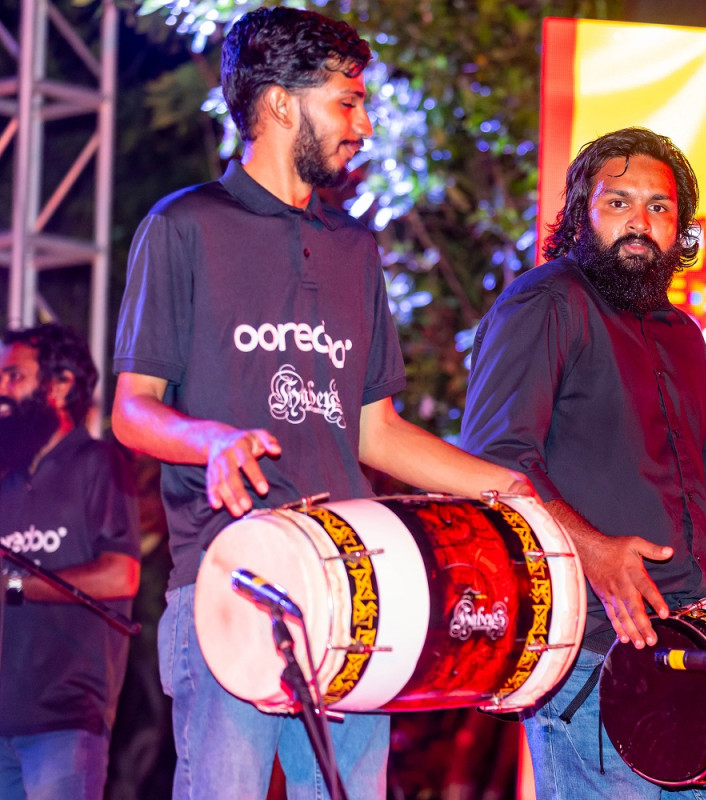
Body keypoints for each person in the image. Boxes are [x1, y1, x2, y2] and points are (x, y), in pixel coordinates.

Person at [110, 7, 528, 799]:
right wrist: (212, 441)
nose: (363, 126)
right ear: (278, 103)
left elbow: (377, 432)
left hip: (354, 588)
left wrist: (507, 488)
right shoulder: (184, 225)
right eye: (347, 102)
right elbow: (132, 411)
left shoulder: (355, 248)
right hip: (231, 580)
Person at [460, 127, 706, 799]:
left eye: (659, 207)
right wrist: (594, 550)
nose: (640, 222)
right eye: (618, 203)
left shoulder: (684, 337)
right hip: (593, 656)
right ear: (579, 213)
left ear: (681, 228)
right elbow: (494, 460)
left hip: (700, 654)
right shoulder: (546, 302)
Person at [0, 323, 140, 800]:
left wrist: (14, 584)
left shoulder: (99, 462)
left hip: (65, 718)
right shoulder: (6, 479)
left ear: (60, 386)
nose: (2, 389)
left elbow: (121, 574)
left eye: (14, 376)